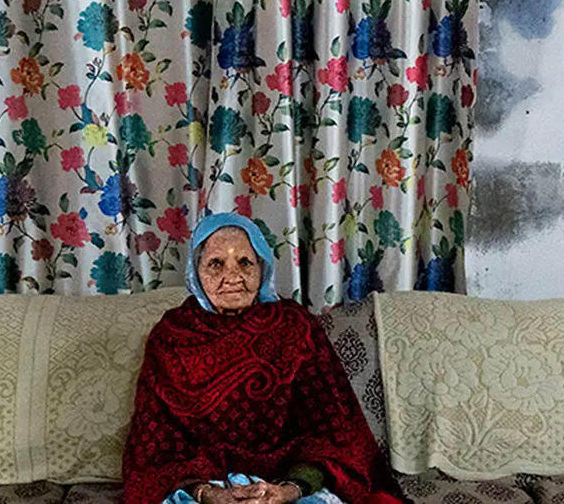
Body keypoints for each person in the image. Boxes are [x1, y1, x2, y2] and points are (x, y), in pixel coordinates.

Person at [122, 213, 405, 504]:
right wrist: (208, 494)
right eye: (216, 264)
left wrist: (288, 490)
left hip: (289, 486)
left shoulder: (295, 327)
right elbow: (153, 448)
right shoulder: (171, 337)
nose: (232, 277)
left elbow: (333, 437)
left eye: (245, 262)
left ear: (262, 267)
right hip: (200, 491)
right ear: (196, 272)